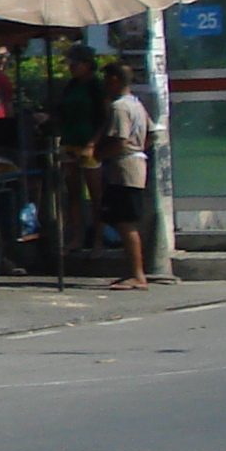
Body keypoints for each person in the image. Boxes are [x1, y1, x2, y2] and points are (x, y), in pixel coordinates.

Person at [101, 60, 153, 290]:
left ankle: (137, 273)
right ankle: (133, 271)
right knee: (125, 220)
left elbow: (119, 141)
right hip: (138, 162)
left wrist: (98, 154)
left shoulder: (120, 107)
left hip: (124, 167)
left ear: (114, 80)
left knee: (125, 222)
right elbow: (152, 133)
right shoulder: (137, 104)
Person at [53, 46, 106, 249]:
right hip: (69, 142)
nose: (71, 68)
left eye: (75, 64)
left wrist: (93, 143)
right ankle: (76, 237)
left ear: (87, 65)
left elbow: (104, 117)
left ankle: (99, 239)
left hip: (89, 144)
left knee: (95, 195)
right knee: (73, 193)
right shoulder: (71, 85)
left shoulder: (96, 86)